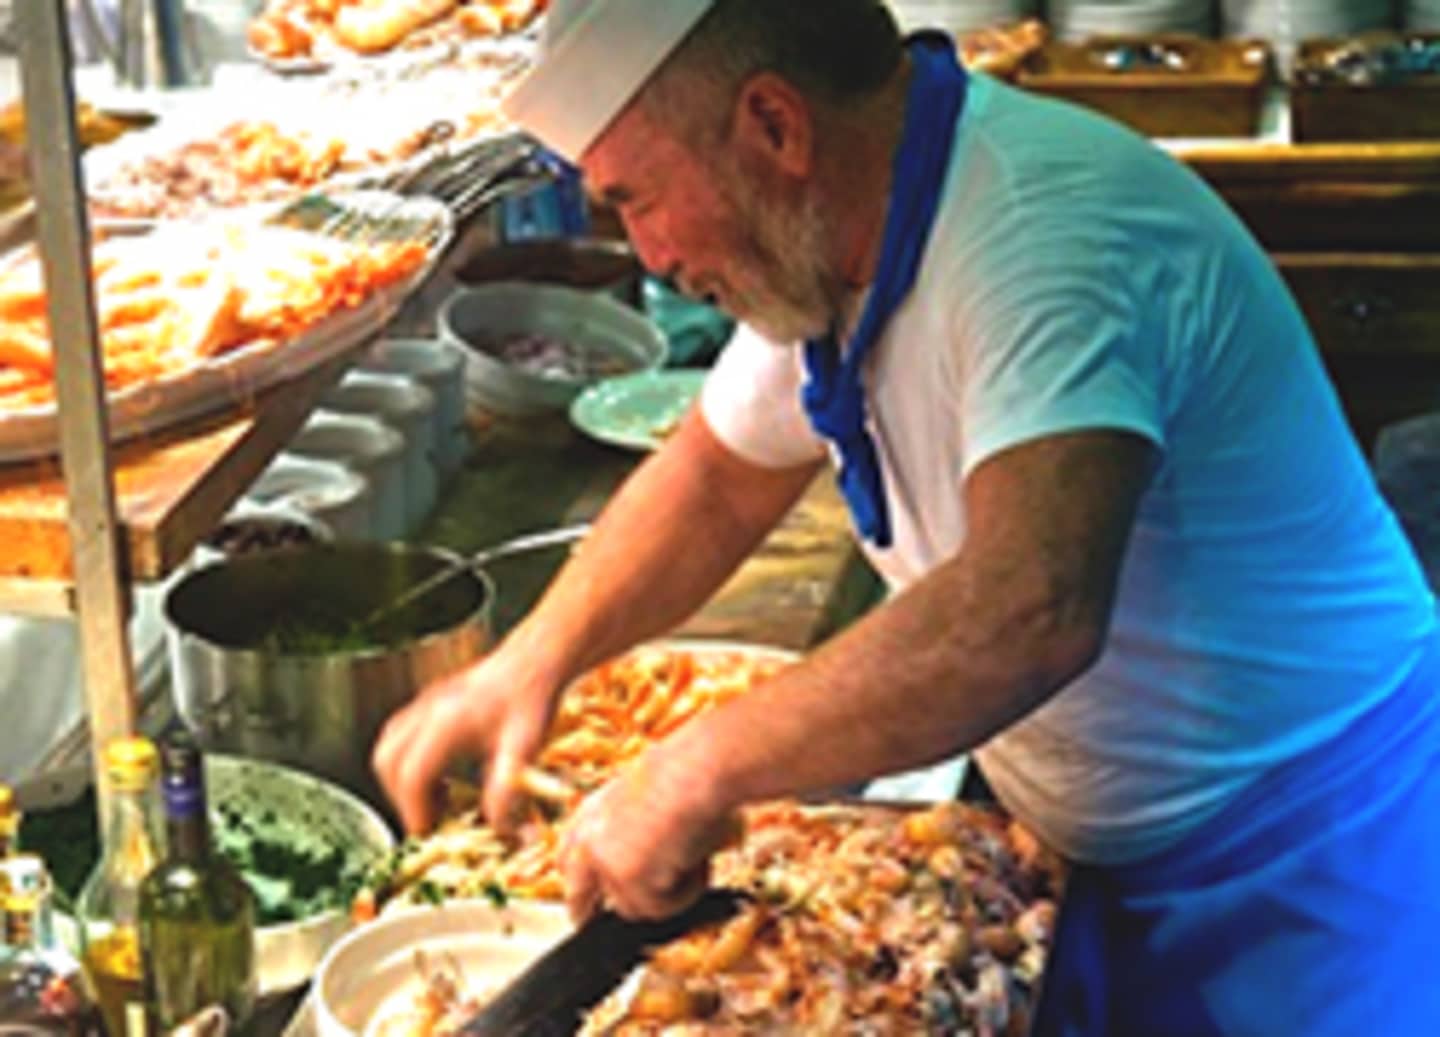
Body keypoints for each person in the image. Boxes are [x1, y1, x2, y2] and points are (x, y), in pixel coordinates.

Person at [373, 1, 1440, 1033]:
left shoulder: (1038, 231)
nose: (645, 253)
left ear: (775, 126)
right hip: (1106, 846)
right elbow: (714, 473)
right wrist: (533, 660)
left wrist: (695, 765)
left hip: (1324, 841)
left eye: (638, 198)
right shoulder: (835, 239)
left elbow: (1030, 604)